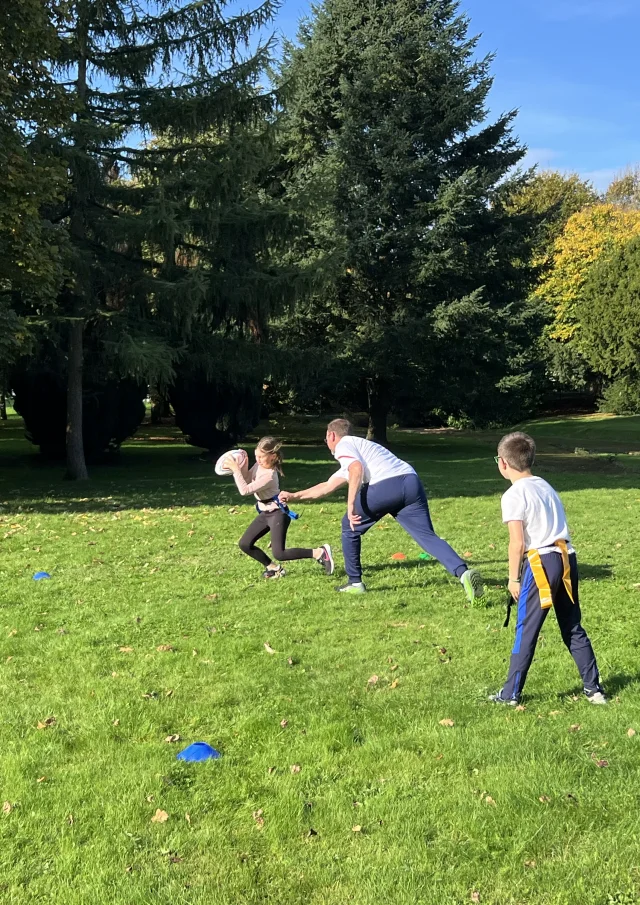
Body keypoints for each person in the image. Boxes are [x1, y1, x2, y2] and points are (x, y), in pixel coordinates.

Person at [279, 418, 484, 600]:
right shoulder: (361, 447)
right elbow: (326, 487)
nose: (328, 445)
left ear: (332, 435)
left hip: (387, 485)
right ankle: (463, 573)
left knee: (349, 526)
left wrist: (351, 505)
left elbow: (356, 469)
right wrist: (295, 496)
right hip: (411, 482)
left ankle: (355, 583)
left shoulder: (345, 445)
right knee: (427, 536)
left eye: (326, 440)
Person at [490, 431, 606, 705]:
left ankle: (510, 694)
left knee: (526, 629)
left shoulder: (513, 494)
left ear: (503, 463)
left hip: (540, 563)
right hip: (566, 558)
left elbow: (517, 543)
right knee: (572, 625)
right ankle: (594, 690)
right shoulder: (545, 485)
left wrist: (513, 579)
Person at [223, 437, 334, 579]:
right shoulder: (259, 466)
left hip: (277, 514)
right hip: (265, 512)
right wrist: (241, 463)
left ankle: (319, 552)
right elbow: (246, 478)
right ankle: (274, 568)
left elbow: (244, 490)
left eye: (261, 456)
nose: (257, 459)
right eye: (256, 455)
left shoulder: (269, 475)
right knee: (245, 544)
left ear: (273, 456)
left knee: (279, 553)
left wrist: (235, 470)